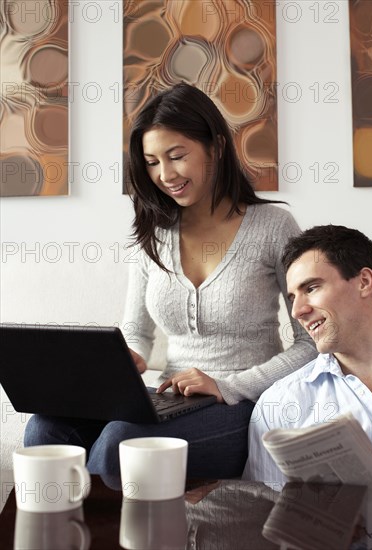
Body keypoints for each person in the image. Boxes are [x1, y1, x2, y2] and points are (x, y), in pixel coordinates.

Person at [24, 83, 316, 479]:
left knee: (120, 447)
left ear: (215, 147)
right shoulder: (154, 232)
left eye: (177, 156)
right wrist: (126, 360)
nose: (165, 175)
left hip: (245, 402)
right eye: (151, 162)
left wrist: (227, 385)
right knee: (44, 427)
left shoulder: (273, 227)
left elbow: (311, 343)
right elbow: (136, 332)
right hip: (168, 397)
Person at [244, 225, 372, 549]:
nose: (297, 311)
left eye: (311, 288)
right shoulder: (279, 403)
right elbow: (261, 528)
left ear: (364, 282)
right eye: (292, 297)